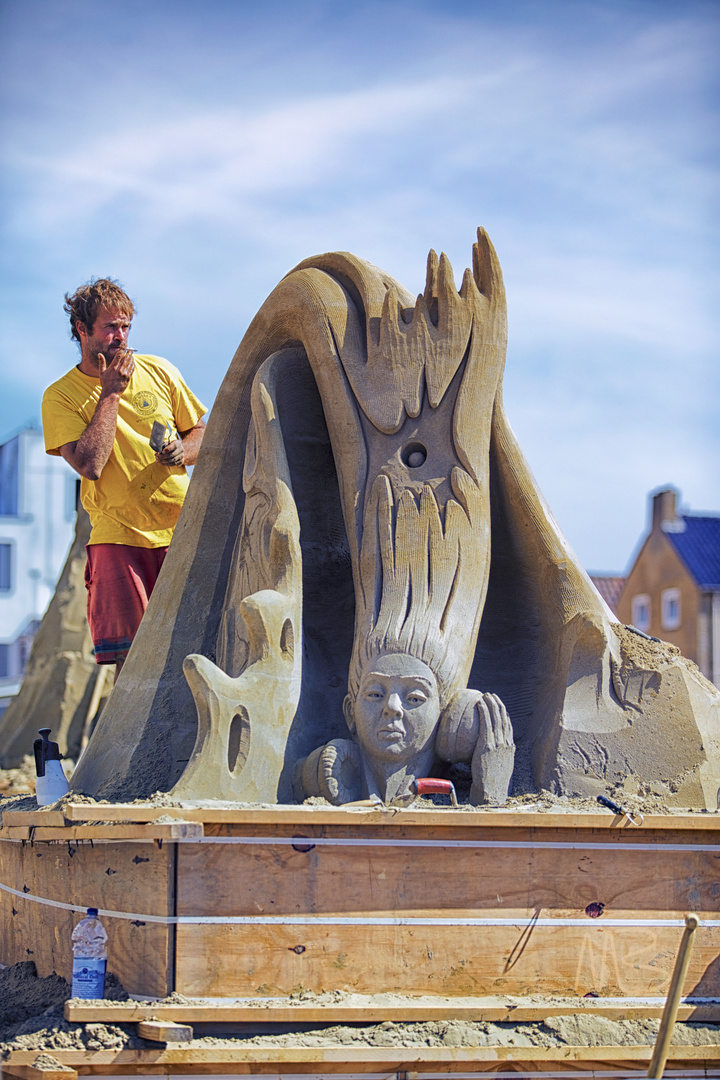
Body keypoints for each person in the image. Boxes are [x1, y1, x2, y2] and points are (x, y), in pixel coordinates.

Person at [42, 278, 207, 681]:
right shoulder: (60, 395)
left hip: (181, 531)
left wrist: (181, 452)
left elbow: (202, 432)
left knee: (197, 653)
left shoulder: (160, 370)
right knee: (133, 669)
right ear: (82, 330)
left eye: (126, 326)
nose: (121, 336)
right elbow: (88, 465)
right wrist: (110, 393)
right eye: (110, 327)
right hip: (118, 539)